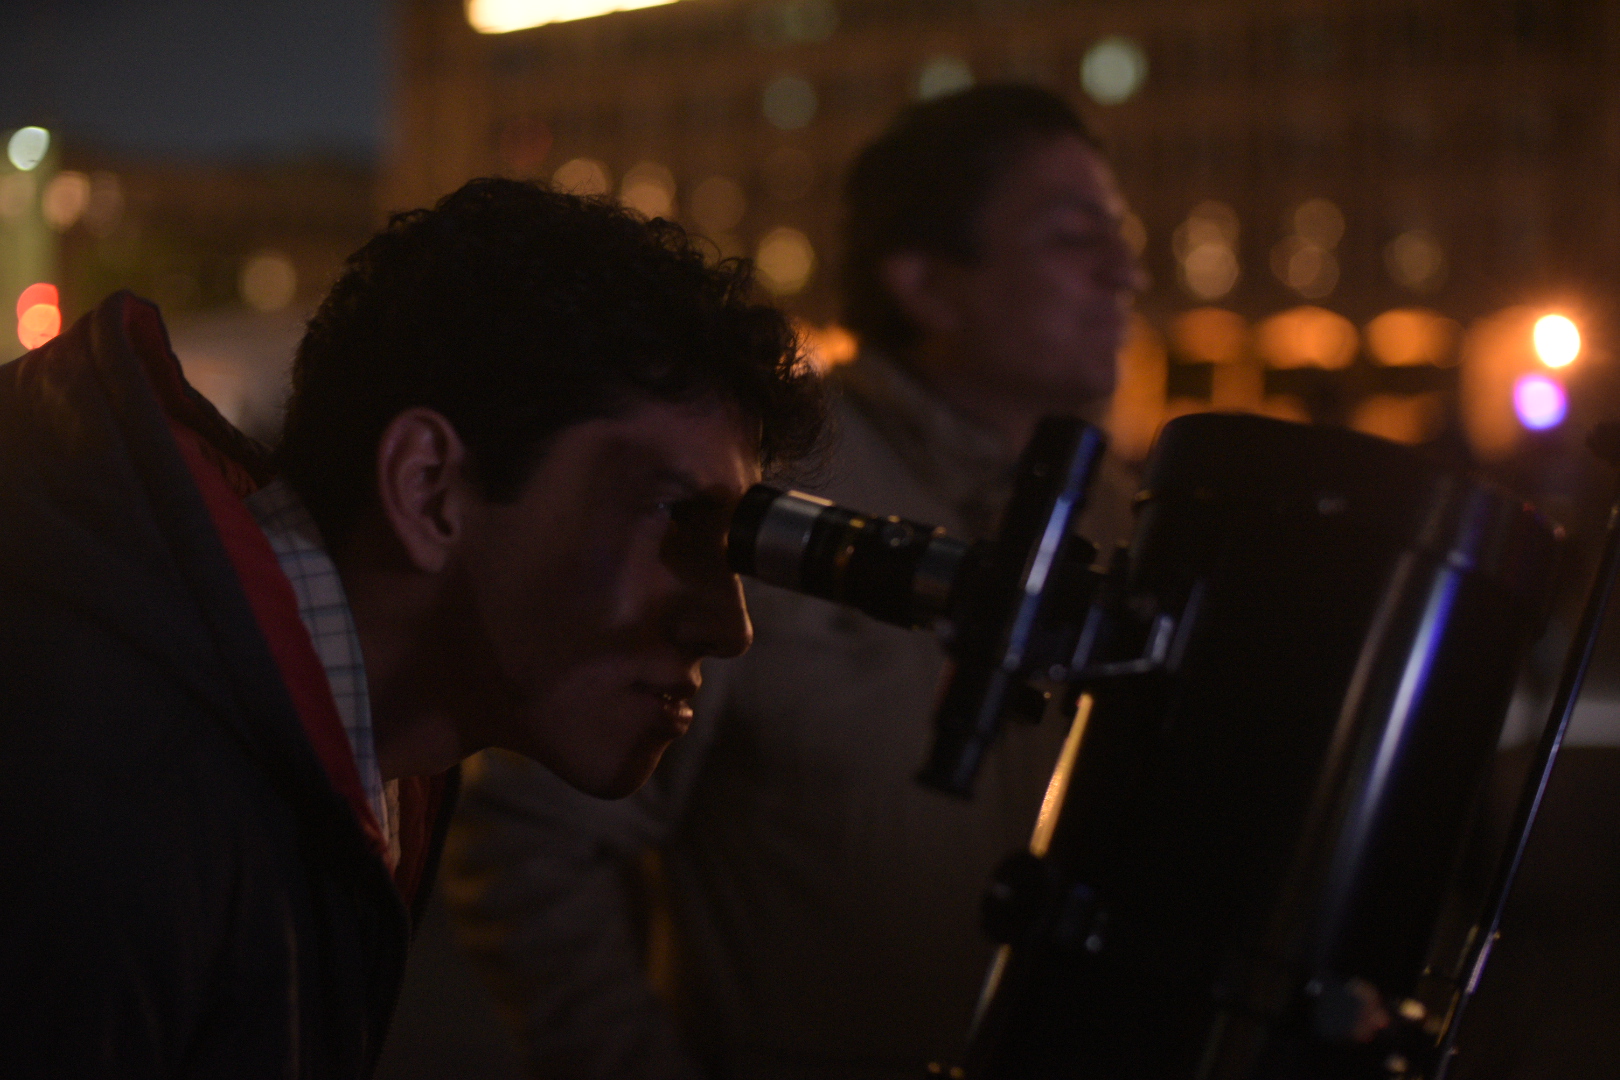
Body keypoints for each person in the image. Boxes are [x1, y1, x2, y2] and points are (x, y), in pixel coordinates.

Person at [0, 178, 822, 1078]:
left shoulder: (311, 764)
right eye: (672, 517)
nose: (730, 626)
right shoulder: (106, 809)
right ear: (428, 487)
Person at [442, 84, 1144, 1079]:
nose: (1127, 269)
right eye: (1076, 238)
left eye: (1121, 233)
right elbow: (527, 834)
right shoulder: (770, 496)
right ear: (924, 283)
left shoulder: (1113, 518)